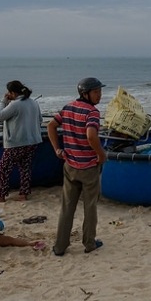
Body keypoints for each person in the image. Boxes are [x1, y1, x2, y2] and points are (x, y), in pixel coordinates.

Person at [48, 77, 107, 256]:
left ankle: (60, 246)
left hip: (70, 165)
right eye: (96, 92)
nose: (100, 95)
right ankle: (89, 243)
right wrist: (101, 154)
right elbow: (91, 135)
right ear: (85, 94)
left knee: (67, 207)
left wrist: (57, 149)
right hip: (89, 166)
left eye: (100, 91)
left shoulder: (68, 107)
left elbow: (51, 125)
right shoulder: (92, 112)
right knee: (90, 207)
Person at [0, 80, 43, 202]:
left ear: (12, 92)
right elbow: (40, 120)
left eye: (9, 93)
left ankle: (1, 195)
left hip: (17, 142)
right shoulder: (33, 103)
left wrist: (3, 101)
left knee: (4, 167)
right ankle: (23, 193)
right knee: (25, 167)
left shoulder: (15, 104)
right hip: (33, 140)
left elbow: (0, 116)